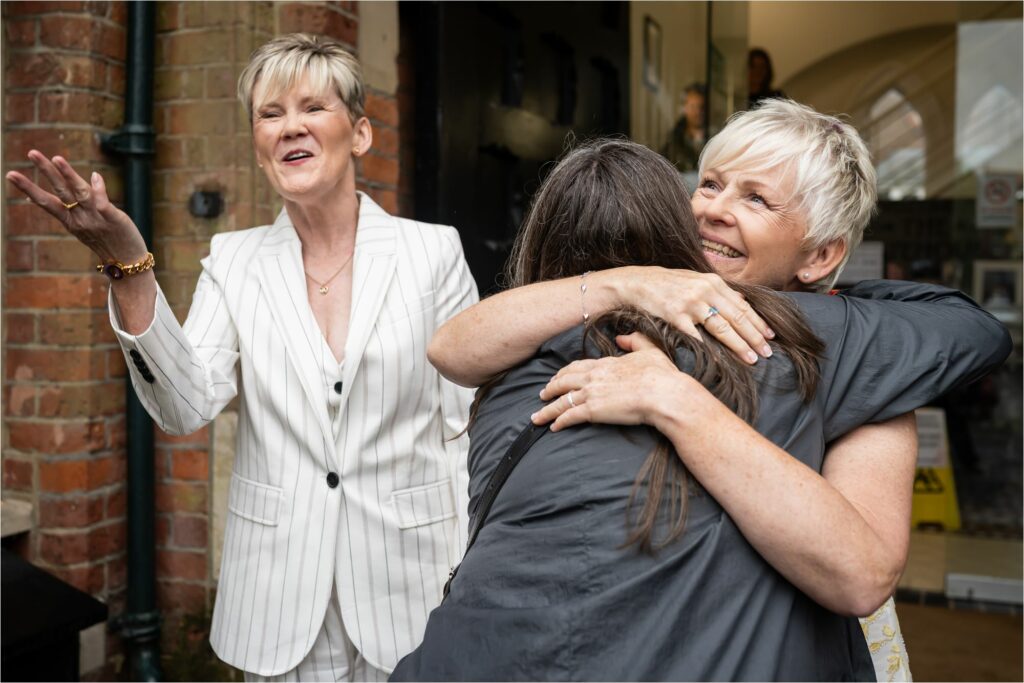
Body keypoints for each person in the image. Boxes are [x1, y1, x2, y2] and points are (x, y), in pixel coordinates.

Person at [420, 100, 1010, 681]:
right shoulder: (625, 307)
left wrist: (673, 399)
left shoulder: (850, 358)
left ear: (820, 254)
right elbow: (452, 348)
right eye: (710, 184)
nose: (714, 211)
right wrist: (627, 282)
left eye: (756, 198)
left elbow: (860, 575)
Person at [6, 34, 477, 681]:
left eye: (312, 107)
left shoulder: (434, 254)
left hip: (415, 591)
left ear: (360, 134)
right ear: (258, 145)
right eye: (270, 113)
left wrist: (473, 565)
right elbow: (184, 403)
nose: (290, 127)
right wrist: (129, 269)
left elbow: (470, 421)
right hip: (282, 605)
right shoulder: (234, 261)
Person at [662, 82, 707, 172]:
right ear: (684, 108)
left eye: (701, 106)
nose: (697, 111)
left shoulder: (715, 135)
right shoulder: (674, 139)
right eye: (692, 106)